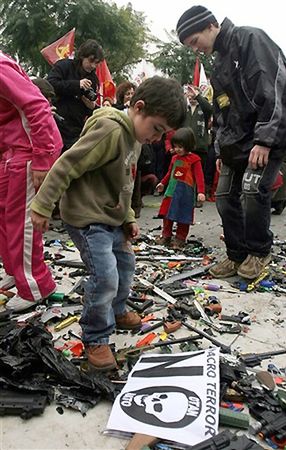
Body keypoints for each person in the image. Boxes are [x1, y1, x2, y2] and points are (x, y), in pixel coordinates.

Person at [30, 76, 187, 371]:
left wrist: (127, 218)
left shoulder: (137, 140)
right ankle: (96, 336)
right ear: (138, 107)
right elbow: (67, 164)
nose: (157, 138)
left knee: (125, 265)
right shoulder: (110, 131)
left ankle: (115, 310)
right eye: (156, 129)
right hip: (87, 218)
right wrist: (42, 205)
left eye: (162, 134)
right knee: (105, 276)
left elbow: (124, 183)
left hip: (111, 218)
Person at [177, 5, 286, 279]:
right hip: (235, 144)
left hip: (264, 138)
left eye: (194, 41)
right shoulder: (219, 63)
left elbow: (273, 88)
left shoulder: (250, 39)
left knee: (253, 191)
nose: (195, 49)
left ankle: (259, 252)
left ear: (211, 25)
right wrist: (220, 151)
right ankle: (236, 255)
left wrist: (264, 139)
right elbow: (221, 111)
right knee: (224, 198)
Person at [0, 51, 62, 311]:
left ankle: (37, 284)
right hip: (10, 150)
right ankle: (17, 270)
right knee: (4, 217)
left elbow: (36, 104)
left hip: (28, 149)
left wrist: (41, 157)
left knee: (22, 221)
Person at [48, 39, 104, 151]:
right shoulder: (64, 66)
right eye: (91, 61)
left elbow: (90, 109)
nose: (93, 66)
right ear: (83, 56)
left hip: (76, 130)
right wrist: (77, 84)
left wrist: (92, 107)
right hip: (57, 123)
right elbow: (51, 84)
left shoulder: (93, 79)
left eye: (96, 63)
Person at [156, 127, 205, 249]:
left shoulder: (195, 160)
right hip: (171, 191)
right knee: (167, 215)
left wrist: (201, 192)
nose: (177, 149)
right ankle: (166, 235)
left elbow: (199, 177)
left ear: (188, 145)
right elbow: (170, 173)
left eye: (180, 147)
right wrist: (162, 183)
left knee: (183, 216)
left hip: (185, 193)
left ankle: (180, 238)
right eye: (175, 146)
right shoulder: (174, 158)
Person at [184, 84, 212, 175]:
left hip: (200, 148)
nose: (190, 96)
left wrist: (197, 96)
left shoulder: (203, 109)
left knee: (198, 176)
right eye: (189, 93)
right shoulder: (184, 109)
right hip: (184, 149)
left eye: (193, 94)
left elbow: (209, 109)